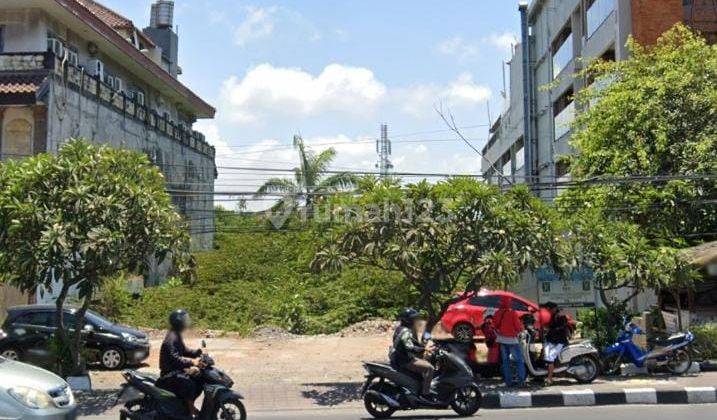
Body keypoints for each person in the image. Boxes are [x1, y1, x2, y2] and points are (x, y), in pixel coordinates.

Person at [156, 309, 205, 416]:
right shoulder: (171, 338)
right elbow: (176, 359)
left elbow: (184, 350)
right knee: (189, 384)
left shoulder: (176, 334)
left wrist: (197, 352)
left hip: (175, 370)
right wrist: (193, 362)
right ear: (178, 322)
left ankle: (185, 405)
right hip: (169, 374)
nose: (186, 323)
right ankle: (191, 409)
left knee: (197, 377)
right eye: (184, 320)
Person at [391, 308, 436, 401]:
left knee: (424, 360)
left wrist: (423, 345)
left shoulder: (400, 329)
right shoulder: (406, 332)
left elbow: (411, 343)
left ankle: (419, 386)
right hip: (404, 360)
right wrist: (424, 349)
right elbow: (410, 348)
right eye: (413, 319)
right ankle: (425, 394)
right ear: (408, 320)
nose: (415, 321)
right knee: (430, 368)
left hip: (399, 357)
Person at [494, 296, 526, 387]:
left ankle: (508, 382)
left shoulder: (497, 313)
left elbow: (495, 325)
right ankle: (521, 381)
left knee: (505, 361)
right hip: (512, 340)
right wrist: (521, 330)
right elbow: (518, 327)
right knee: (519, 360)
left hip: (502, 340)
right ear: (509, 303)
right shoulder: (512, 313)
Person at [544, 305, 571, 386]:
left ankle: (549, 378)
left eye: (551, 309)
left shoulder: (561, 318)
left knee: (550, 358)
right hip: (552, 341)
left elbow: (560, 329)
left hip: (559, 342)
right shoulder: (551, 318)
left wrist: (550, 329)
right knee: (544, 354)